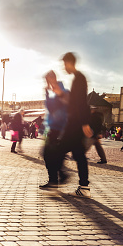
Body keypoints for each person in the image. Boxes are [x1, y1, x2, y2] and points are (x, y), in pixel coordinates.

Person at [49, 52, 92, 198]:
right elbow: (75, 102)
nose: (63, 67)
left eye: (64, 64)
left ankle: (57, 180)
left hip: (75, 123)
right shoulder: (78, 78)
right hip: (76, 123)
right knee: (79, 154)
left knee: (57, 150)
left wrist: (85, 123)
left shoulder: (79, 78)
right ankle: (84, 187)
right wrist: (60, 94)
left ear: (69, 62)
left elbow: (81, 102)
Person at [41, 70, 69, 188]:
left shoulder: (63, 91)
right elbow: (49, 107)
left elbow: (55, 108)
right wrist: (47, 93)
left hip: (60, 129)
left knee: (49, 154)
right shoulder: (54, 93)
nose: (48, 83)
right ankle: (58, 176)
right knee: (49, 154)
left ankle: (56, 179)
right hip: (53, 128)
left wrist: (52, 89)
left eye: (49, 80)